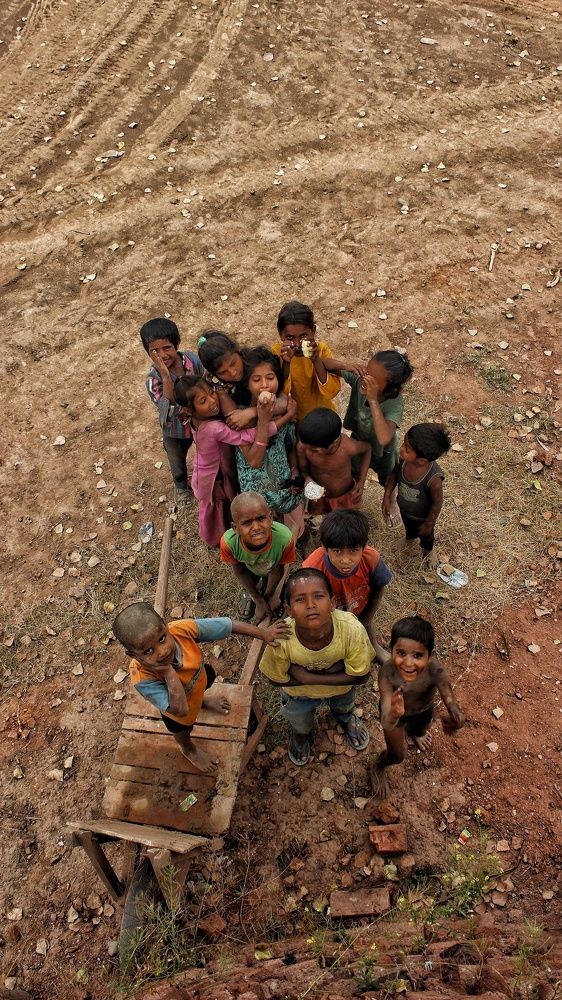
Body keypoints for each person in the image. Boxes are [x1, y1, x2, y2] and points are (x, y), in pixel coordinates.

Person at [113, 602, 289, 774]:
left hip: (199, 680)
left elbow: (228, 626)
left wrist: (264, 634)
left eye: (162, 639)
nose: (162, 651)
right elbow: (180, 710)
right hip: (178, 711)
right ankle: (188, 749)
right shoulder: (143, 679)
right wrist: (168, 672)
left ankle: (202, 701)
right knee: (182, 731)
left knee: (209, 675)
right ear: (133, 655)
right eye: (148, 651)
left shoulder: (181, 630)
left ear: (165, 626)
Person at [259, 569, 374, 766]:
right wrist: (337, 670)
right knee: (300, 721)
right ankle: (302, 734)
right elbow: (274, 679)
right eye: (300, 599)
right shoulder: (282, 637)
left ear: (333, 603)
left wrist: (307, 677)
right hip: (299, 695)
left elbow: (362, 676)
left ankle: (346, 718)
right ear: (288, 610)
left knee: (344, 706)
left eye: (319, 596)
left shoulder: (351, 630)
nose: (311, 605)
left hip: (339, 690)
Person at [173, 375, 279, 547]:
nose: (212, 400)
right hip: (213, 477)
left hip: (209, 469)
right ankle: (216, 538)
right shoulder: (213, 427)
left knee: (220, 505)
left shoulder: (195, 419)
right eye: (203, 400)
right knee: (216, 507)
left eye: (210, 392)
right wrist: (273, 424)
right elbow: (243, 436)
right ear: (189, 409)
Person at [370, 615, 465, 798]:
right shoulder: (387, 673)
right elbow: (386, 720)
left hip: (423, 711)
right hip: (395, 717)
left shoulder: (434, 669)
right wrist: (394, 714)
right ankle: (378, 765)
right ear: (391, 650)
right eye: (401, 653)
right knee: (397, 756)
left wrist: (456, 715)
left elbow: (449, 697)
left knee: (422, 728)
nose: (408, 663)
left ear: (430, 655)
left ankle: (416, 733)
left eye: (418, 655)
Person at [324, 350, 413, 525]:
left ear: (390, 386)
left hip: (383, 452)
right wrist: (346, 366)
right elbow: (322, 363)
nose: (366, 377)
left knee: (387, 479)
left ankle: (391, 500)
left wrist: (372, 400)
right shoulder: (359, 380)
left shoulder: (394, 403)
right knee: (354, 474)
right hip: (359, 442)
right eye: (367, 370)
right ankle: (353, 502)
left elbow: (384, 438)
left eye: (373, 378)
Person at [234, 347, 305, 539]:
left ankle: (300, 538)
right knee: (265, 534)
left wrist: (294, 470)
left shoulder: (283, 406)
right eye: (256, 380)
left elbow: (289, 444)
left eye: (270, 377)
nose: (265, 385)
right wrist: (263, 418)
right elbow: (254, 461)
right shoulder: (240, 419)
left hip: (284, 483)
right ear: (246, 384)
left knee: (296, 530)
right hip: (257, 492)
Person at [302, 509, 392, 652]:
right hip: (328, 615)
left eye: (353, 551)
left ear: (364, 547)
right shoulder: (313, 567)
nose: (345, 560)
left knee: (367, 628)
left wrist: (367, 618)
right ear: (325, 547)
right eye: (337, 551)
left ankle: (374, 645)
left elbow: (379, 588)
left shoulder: (371, 559)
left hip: (359, 611)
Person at [140, 317, 203, 504]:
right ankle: (181, 487)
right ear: (148, 353)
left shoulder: (192, 360)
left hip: (200, 422)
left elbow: (204, 381)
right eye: (155, 351)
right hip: (174, 430)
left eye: (167, 348)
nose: (162, 355)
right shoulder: (153, 381)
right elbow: (168, 408)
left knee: (206, 450)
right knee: (177, 461)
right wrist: (167, 378)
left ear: (177, 344)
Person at [383, 422, 451, 570]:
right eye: (403, 444)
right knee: (409, 527)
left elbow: (437, 503)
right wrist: (387, 496)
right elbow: (394, 475)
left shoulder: (434, 480)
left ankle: (428, 551)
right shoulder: (404, 461)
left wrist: (429, 523)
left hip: (423, 517)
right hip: (406, 509)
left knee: (426, 537)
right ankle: (409, 538)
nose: (401, 449)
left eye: (406, 449)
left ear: (422, 461)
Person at [220, 492, 297, 622]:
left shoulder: (284, 539)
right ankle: (250, 594)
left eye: (261, 518)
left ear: (271, 517)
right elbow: (240, 571)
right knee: (251, 583)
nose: (256, 527)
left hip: (272, 568)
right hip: (249, 568)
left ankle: (269, 593)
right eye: (247, 523)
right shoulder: (229, 544)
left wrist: (267, 598)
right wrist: (258, 599)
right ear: (235, 528)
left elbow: (278, 570)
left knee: (273, 590)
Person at [198, 330, 288, 430]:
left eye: (233, 363)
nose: (232, 373)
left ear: (238, 352)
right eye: (223, 372)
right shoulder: (216, 384)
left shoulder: (253, 362)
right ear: (215, 374)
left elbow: (284, 402)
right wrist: (267, 414)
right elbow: (238, 422)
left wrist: (251, 412)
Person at [272, 300, 341, 422]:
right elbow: (279, 394)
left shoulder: (321, 350)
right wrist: (286, 363)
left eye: (303, 336)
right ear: (280, 334)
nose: (298, 344)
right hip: (292, 420)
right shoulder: (276, 353)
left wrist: (316, 360)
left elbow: (332, 392)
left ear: (313, 331)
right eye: (290, 337)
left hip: (321, 417)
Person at [296, 408, 372, 514]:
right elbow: (303, 469)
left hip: (345, 495)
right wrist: (308, 479)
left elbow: (367, 449)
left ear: (334, 443)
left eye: (314, 450)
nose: (309, 452)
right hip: (319, 497)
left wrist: (361, 480)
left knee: (346, 519)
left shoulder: (347, 447)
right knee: (324, 518)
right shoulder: (304, 445)